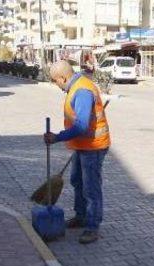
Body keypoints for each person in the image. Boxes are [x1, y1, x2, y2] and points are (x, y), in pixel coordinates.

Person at [44, 60, 111, 245]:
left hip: (93, 146)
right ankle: (81, 216)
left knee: (91, 188)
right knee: (77, 181)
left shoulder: (82, 91)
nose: (56, 85)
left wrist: (57, 137)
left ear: (62, 77)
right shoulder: (77, 87)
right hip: (82, 145)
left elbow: (81, 125)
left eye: (55, 81)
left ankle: (92, 227)